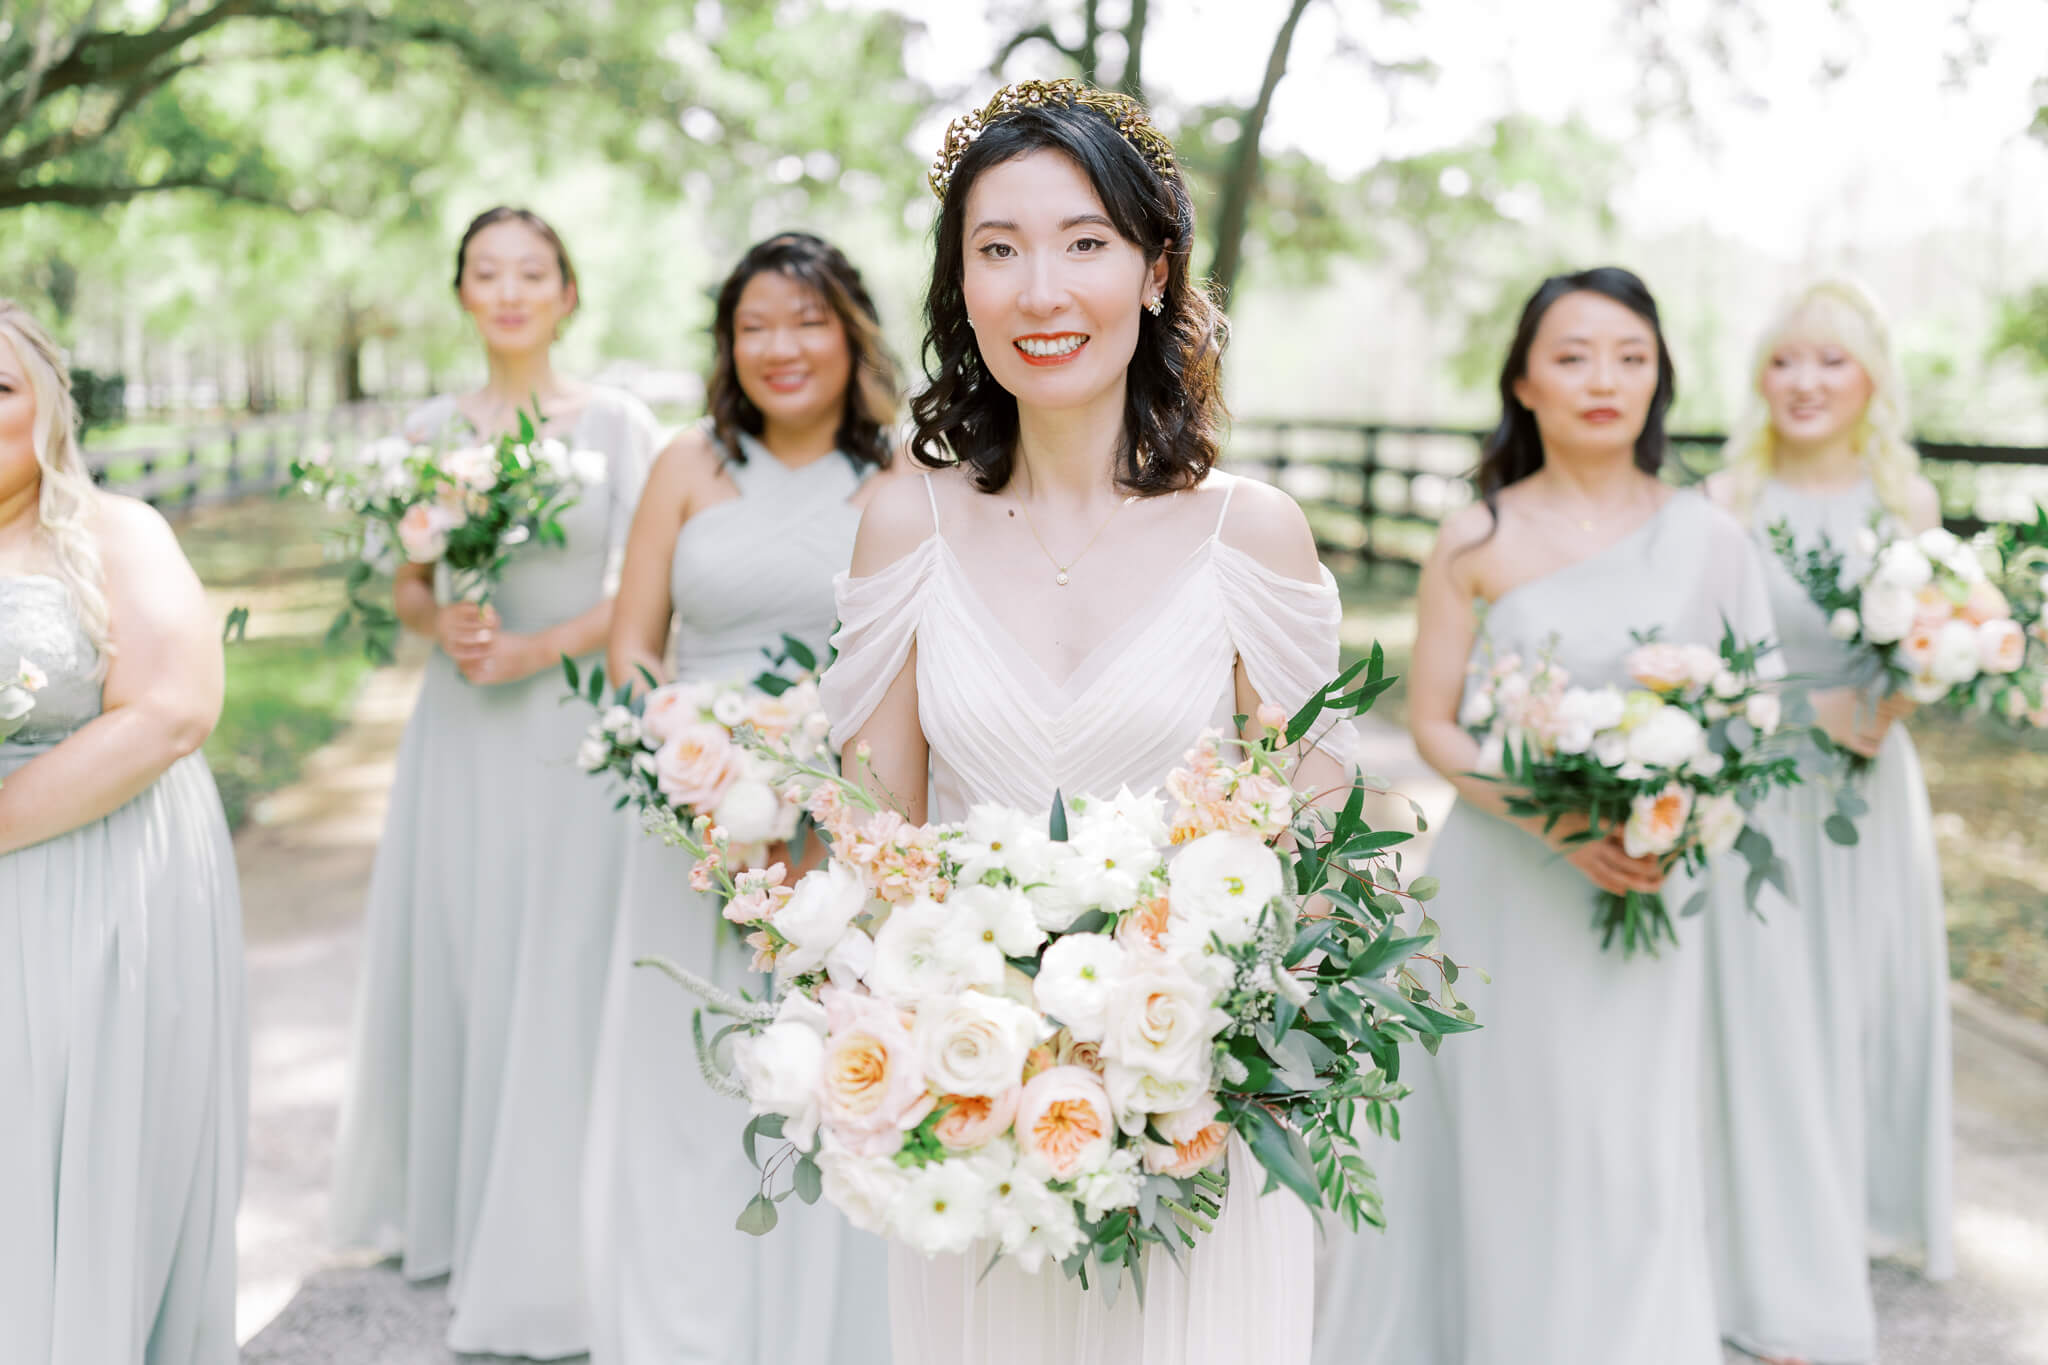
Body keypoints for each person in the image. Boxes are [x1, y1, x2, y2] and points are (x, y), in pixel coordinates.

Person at [820, 80, 1360, 1365]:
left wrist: (1185, 1039)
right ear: (961, 290)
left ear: (1155, 271)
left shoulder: (1252, 534)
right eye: (995, 250)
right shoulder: (907, 518)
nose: (1038, 291)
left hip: (1193, 1127)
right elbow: (871, 838)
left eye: (1082, 243)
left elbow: (1320, 848)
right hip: (975, 1117)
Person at [1315, 268, 1777, 1365]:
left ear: (1658, 373)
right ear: (1523, 381)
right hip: (1503, 884)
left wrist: (1664, 813)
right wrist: (1550, 818)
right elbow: (1434, 724)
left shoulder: (1710, 536)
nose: (1602, 379)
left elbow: (1749, 711)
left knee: (1626, 1144)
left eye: (1628, 353)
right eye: (1570, 356)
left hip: (1647, 885)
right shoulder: (1474, 537)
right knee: (1514, 1136)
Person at [328, 205, 663, 1358]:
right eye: (487, 272)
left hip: (568, 721)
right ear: (462, 293)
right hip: (461, 727)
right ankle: (460, 1210)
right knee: (466, 947)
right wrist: (447, 624)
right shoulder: (429, 425)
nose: (510, 291)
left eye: (533, 272)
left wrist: (536, 647)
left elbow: (649, 592)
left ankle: (564, 1215)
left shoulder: (618, 425)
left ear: (568, 292)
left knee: (561, 950)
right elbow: (407, 584)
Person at [584, 231, 902, 1365]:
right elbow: (631, 648)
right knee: (688, 1080)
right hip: (692, 823)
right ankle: (680, 1333)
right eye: (754, 325)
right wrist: (685, 759)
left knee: (837, 1077)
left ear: (851, 332)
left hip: (848, 832)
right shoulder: (685, 464)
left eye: (806, 320)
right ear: (728, 345)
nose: (781, 346)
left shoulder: (907, 475)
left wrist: (825, 800)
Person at [1698, 277, 1953, 1364]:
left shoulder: (1909, 509)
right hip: (1749, 793)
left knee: (1852, 1009)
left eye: (1830, 362)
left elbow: (1942, 648)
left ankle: (1834, 1226)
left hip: (1857, 793)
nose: (1803, 382)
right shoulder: (1723, 501)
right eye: (1784, 360)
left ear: (1868, 381)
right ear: (1759, 379)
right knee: (1758, 1019)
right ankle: (1751, 1247)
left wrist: (1883, 703)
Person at [0, 298, 246, 1363]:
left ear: (51, 404)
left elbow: (174, 710)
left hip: (93, 884)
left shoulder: (118, 533)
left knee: (71, 1152)